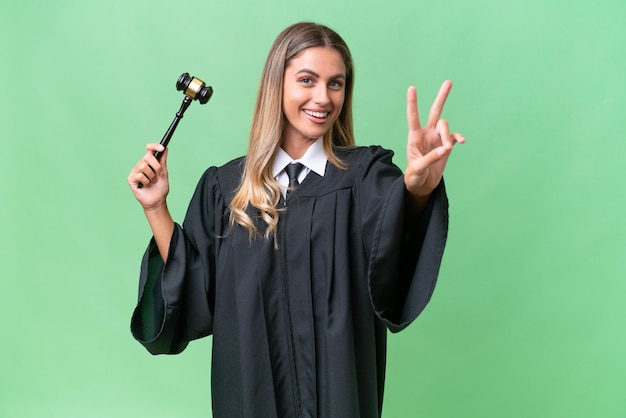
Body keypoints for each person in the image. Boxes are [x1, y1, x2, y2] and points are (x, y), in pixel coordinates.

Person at [127, 21, 464, 418]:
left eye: (335, 83)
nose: (323, 97)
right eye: (307, 80)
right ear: (277, 85)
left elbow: (394, 242)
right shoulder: (227, 188)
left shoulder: (364, 177)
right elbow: (196, 291)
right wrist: (155, 208)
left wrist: (418, 188)